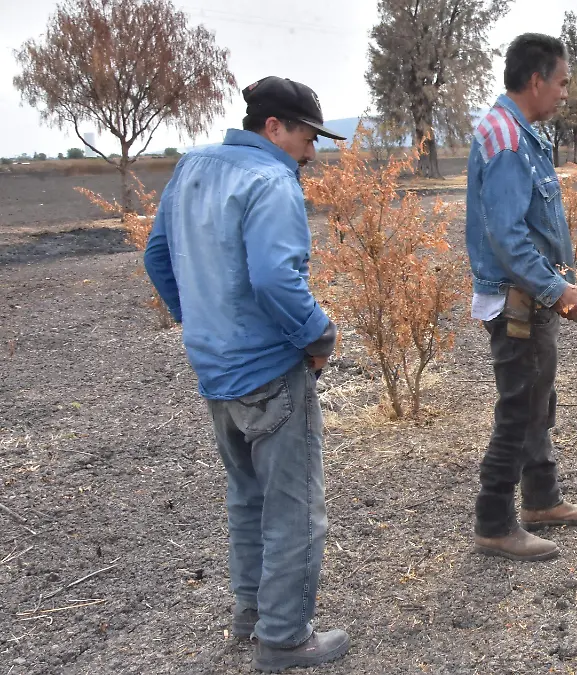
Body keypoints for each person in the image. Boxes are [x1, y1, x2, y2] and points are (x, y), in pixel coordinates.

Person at [143, 76, 350, 671]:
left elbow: (157, 256)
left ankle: (250, 617)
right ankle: (284, 638)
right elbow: (274, 280)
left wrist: (198, 321)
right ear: (275, 128)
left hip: (214, 365)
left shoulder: (193, 167)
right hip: (268, 369)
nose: (312, 152)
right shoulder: (272, 180)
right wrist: (318, 336)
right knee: (293, 506)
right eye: (308, 137)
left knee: (246, 496)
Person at [465, 33, 577, 563]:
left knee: (537, 401)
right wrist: (555, 286)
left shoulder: (522, 132)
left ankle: (541, 501)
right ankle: (494, 521)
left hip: (531, 297)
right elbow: (507, 235)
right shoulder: (506, 139)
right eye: (562, 82)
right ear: (537, 79)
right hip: (518, 299)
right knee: (518, 409)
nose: (565, 93)